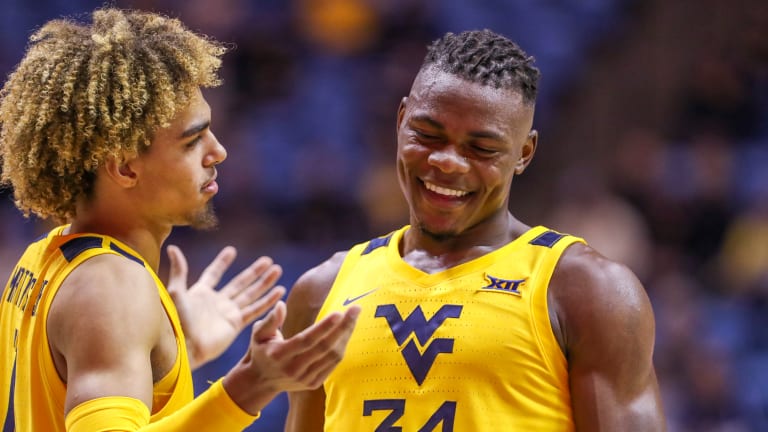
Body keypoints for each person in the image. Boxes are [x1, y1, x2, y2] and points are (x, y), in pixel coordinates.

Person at [283, 29, 666, 431]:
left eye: (481, 149)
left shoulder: (587, 291)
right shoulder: (321, 293)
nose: (448, 161)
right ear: (400, 121)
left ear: (524, 153)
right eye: (427, 135)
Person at [0, 8, 359, 431]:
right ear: (125, 167)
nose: (218, 151)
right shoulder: (111, 287)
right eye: (192, 141)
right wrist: (252, 385)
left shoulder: (44, 256)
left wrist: (175, 352)